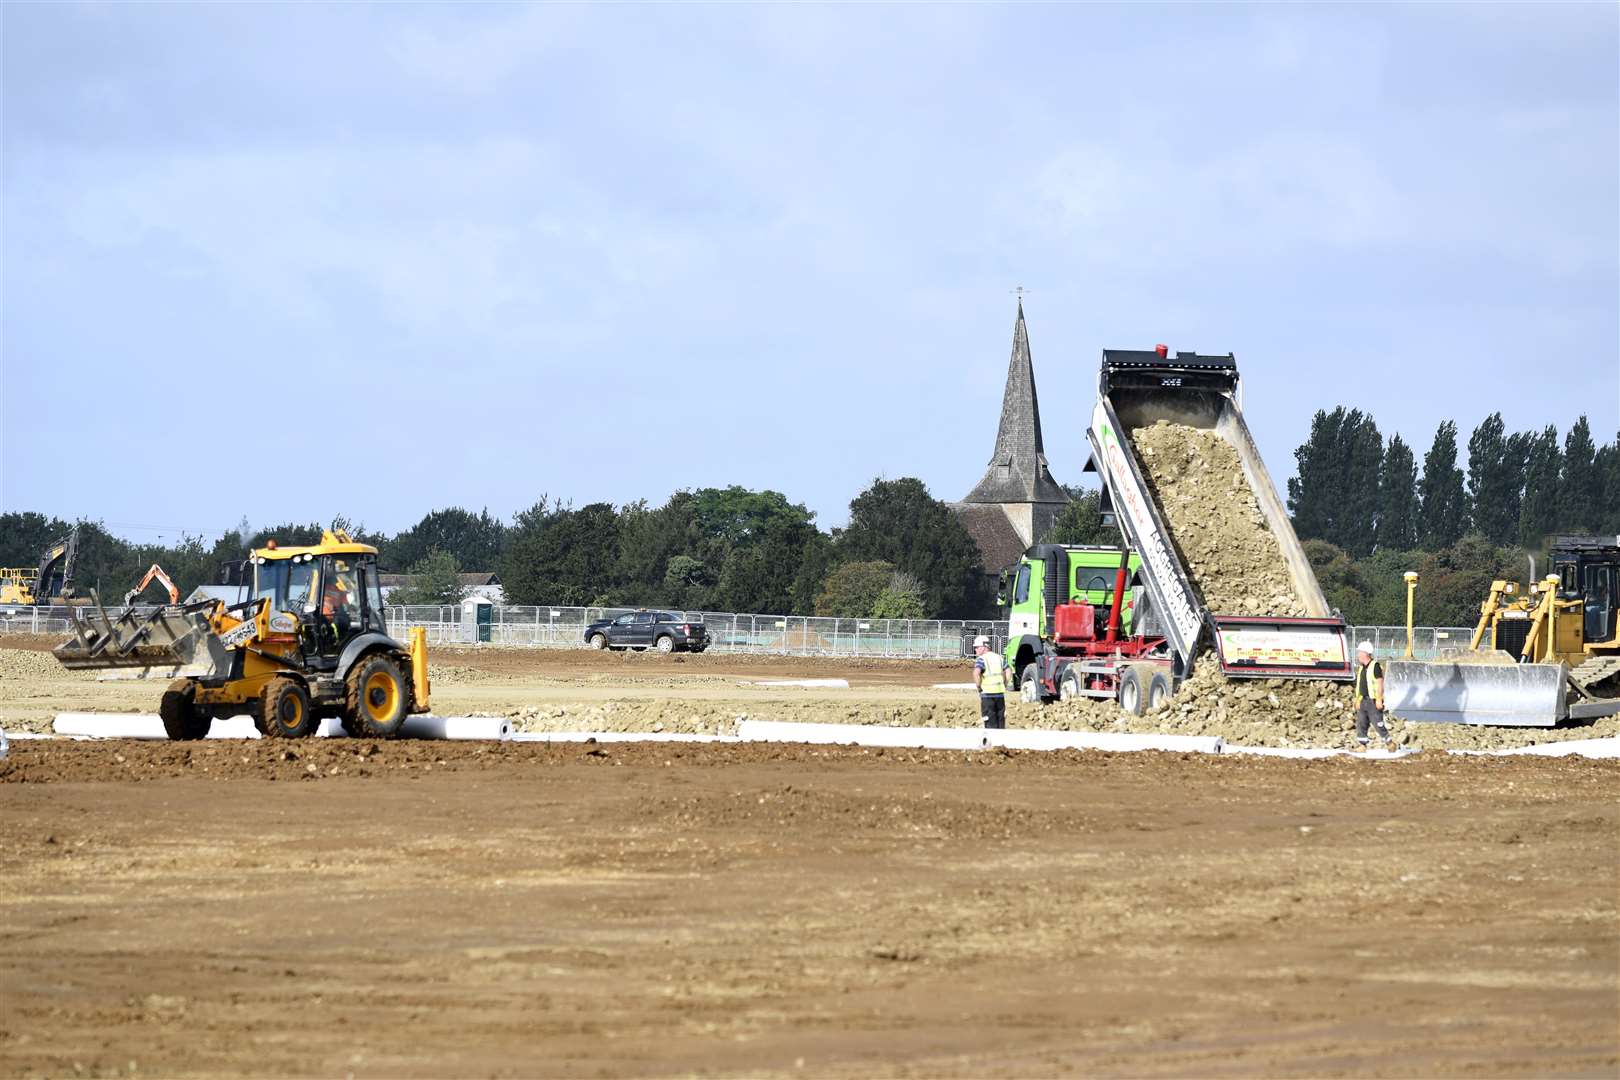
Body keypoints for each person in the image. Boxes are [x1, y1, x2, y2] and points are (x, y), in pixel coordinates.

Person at [1353, 641, 1397, 752]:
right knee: (1361, 723)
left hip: (1373, 701)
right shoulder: (1362, 668)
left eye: (1360, 652)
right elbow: (1360, 685)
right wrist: (1358, 699)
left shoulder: (1375, 666)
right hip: (1363, 700)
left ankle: (1389, 742)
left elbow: (1379, 683)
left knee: (1378, 723)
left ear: (1365, 653)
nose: (1358, 655)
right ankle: (1362, 745)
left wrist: (1379, 699)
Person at [972, 634, 1008, 730]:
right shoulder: (999, 658)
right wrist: (1005, 684)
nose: (975, 650)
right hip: (1000, 694)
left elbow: (976, 673)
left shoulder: (982, 659)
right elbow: (1008, 671)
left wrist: (979, 687)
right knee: (1000, 721)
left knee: (989, 722)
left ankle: (993, 743)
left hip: (987, 695)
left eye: (977, 647)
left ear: (984, 647)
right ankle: (1001, 743)